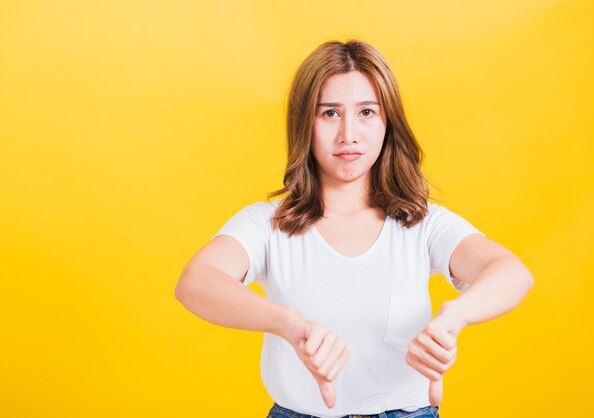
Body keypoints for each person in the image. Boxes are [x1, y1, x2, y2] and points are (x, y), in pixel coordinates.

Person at [175, 39, 534, 418]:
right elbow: (195, 282)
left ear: (387, 122)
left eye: (366, 111)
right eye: (330, 113)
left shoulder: (422, 221)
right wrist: (288, 325)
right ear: (305, 124)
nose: (349, 133)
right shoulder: (268, 224)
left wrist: (453, 317)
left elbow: (512, 272)